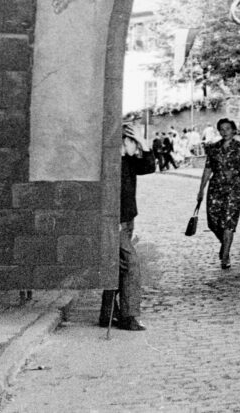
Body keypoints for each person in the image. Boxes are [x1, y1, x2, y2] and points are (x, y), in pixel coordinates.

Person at [99, 124, 151, 331]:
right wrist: (116, 222)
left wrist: (143, 142)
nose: (135, 146)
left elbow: (148, 167)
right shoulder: (112, 164)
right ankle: (129, 316)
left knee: (119, 266)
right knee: (131, 263)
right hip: (116, 221)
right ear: (123, 143)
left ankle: (107, 313)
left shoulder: (127, 161)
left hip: (127, 219)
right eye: (132, 142)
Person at [195, 118, 240, 269]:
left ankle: (225, 256)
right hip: (215, 188)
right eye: (222, 129)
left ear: (234, 130)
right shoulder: (213, 148)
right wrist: (201, 189)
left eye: (228, 129)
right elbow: (208, 168)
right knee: (213, 221)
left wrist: (236, 171)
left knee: (229, 221)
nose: (225, 132)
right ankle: (225, 243)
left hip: (233, 188)